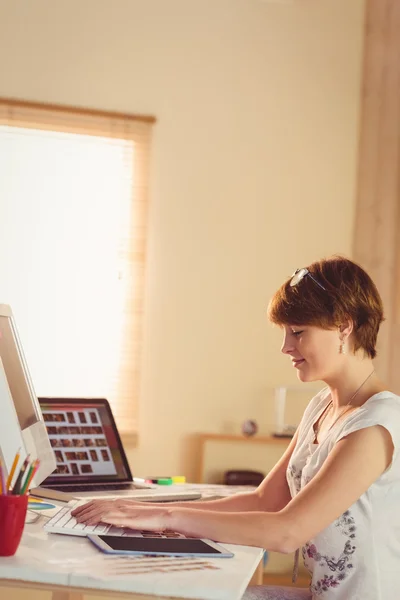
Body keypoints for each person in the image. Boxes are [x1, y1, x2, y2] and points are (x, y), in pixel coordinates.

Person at [72, 256, 400, 600]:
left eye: (298, 332)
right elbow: (266, 500)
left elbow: (287, 533)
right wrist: (143, 513)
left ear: (344, 326)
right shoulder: (322, 406)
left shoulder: (377, 424)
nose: (286, 347)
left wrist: (165, 515)